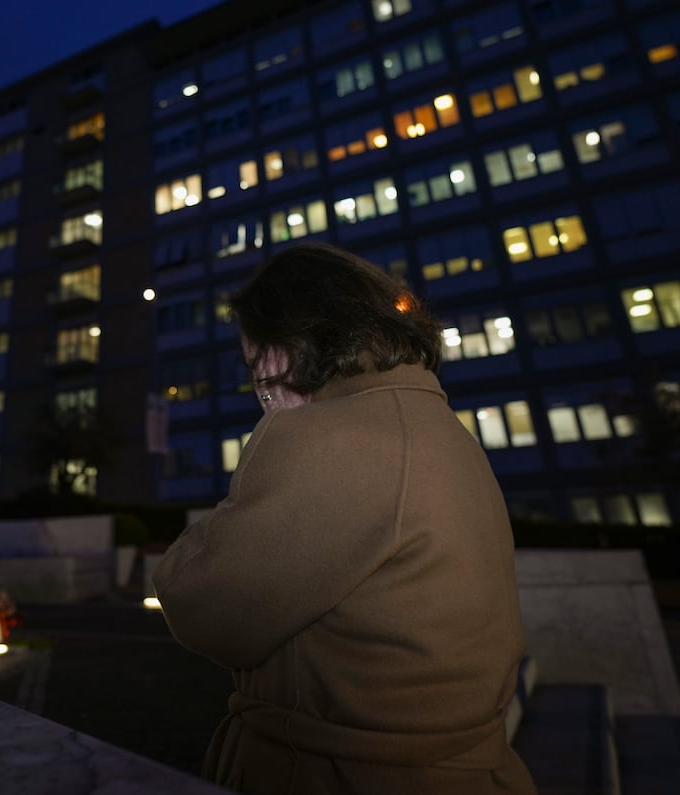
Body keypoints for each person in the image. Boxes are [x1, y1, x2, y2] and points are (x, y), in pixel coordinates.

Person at [153, 243, 535, 794]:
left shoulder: (327, 436)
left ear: (289, 342)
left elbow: (200, 606)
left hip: (344, 775)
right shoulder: (441, 428)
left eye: (257, 365)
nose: (260, 390)